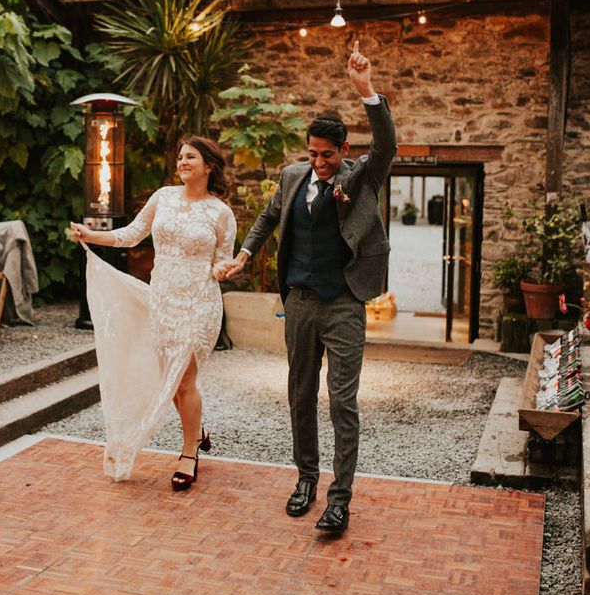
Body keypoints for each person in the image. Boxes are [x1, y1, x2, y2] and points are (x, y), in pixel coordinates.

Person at [223, 41, 396, 533]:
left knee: (342, 401)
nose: (318, 162)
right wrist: (244, 253)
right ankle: (305, 479)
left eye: (326, 155)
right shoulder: (292, 175)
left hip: (343, 304)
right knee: (300, 395)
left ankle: (339, 500)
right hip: (299, 303)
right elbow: (269, 215)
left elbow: (386, 145)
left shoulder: (361, 176)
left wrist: (366, 92)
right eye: (312, 154)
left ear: (343, 150)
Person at [70, 136, 236, 488]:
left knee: (185, 380)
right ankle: (198, 428)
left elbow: (221, 259)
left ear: (209, 166)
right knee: (173, 384)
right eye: (180, 157)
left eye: (190, 157)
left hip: (199, 303)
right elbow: (131, 235)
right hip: (162, 300)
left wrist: (222, 270)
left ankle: (189, 452)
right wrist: (90, 235)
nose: (182, 162)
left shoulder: (221, 213)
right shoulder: (163, 197)